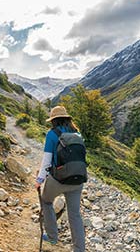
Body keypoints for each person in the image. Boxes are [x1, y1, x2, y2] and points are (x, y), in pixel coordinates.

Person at [35, 105, 85, 252]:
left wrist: (39, 180)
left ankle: (52, 236)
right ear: (67, 119)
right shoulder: (77, 134)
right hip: (78, 180)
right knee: (75, 214)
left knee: (46, 201)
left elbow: (47, 160)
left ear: (53, 120)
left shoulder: (52, 134)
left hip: (59, 179)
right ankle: (79, 249)